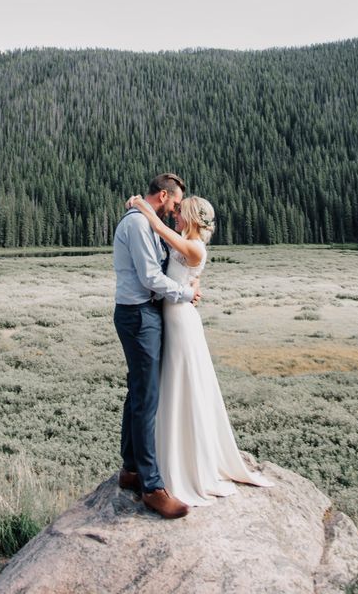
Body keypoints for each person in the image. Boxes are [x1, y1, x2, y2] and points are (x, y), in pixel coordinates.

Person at [128, 193, 273, 506]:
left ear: (192, 218)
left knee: (182, 384)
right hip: (173, 314)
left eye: (181, 213)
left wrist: (140, 205)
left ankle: (184, 464)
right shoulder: (187, 241)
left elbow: (157, 227)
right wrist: (192, 287)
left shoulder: (194, 247)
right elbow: (183, 268)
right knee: (174, 384)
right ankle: (172, 456)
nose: (175, 216)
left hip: (180, 321)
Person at [113, 172, 201, 519]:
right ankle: (152, 487)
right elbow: (150, 276)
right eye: (176, 203)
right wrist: (185, 294)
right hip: (138, 315)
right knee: (146, 397)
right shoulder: (137, 225)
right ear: (163, 196)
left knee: (139, 392)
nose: (176, 209)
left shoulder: (145, 220)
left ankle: (131, 469)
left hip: (144, 313)